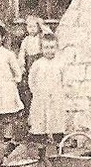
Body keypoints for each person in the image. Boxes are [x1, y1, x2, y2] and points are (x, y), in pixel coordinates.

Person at [26, 30, 68, 159]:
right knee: (40, 123)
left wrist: (60, 92)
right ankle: (41, 154)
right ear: (41, 48)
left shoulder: (60, 63)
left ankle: (59, 152)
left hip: (56, 97)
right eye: (46, 47)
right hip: (41, 98)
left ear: (56, 47)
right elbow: (31, 80)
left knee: (57, 122)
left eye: (52, 47)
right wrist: (36, 92)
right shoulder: (38, 64)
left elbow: (64, 80)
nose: (49, 51)